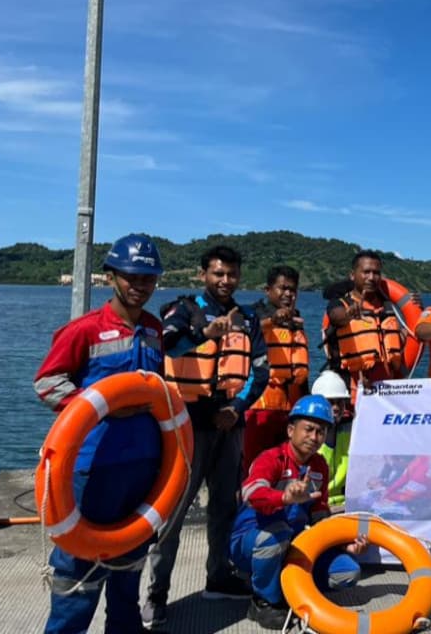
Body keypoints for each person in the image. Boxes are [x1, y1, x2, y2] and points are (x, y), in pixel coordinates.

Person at [32, 234, 166, 634]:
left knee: (131, 559)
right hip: (94, 467)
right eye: (132, 277)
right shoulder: (85, 330)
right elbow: (47, 383)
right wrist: (98, 407)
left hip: (143, 464)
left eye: (148, 278)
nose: (140, 286)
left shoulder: (154, 330)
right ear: (111, 277)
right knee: (79, 568)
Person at [143, 245, 269, 631]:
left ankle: (218, 577)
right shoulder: (182, 310)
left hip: (230, 426)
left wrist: (237, 409)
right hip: (187, 427)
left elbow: (259, 372)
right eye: (218, 273)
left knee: (223, 509)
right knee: (173, 515)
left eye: (231, 274)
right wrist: (204, 332)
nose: (225, 280)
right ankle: (155, 596)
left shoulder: (248, 319)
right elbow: (165, 344)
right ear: (203, 275)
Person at [230, 396, 368, 629]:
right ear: (291, 429)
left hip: (292, 542)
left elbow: (319, 513)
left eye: (321, 432)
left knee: (347, 572)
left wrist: (343, 544)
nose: (315, 438)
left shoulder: (319, 467)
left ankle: (291, 586)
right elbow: (251, 492)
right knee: (276, 534)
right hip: (253, 540)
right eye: (309, 429)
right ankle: (264, 600)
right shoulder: (271, 458)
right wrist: (283, 497)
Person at [244, 265, 309, 471]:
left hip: (291, 408)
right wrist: (273, 320)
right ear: (268, 290)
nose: (288, 294)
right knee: (253, 465)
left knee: (284, 466)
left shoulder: (296, 320)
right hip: (260, 406)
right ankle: (246, 502)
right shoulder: (255, 314)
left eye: (293, 289)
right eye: (283, 288)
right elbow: (243, 332)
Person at [326, 251, 412, 398]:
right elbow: (336, 317)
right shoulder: (340, 304)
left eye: (376, 273)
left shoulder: (388, 309)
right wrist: (349, 314)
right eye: (366, 272)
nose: (371, 277)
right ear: (353, 275)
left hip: (386, 396)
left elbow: (404, 337)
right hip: (353, 395)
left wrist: (416, 306)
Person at [313, 371, 354, 508]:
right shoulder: (308, 438)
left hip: (346, 504)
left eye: (339, 403)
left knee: (364, 528)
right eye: (331, 402)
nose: (336, 408)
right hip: (318, 505)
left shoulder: (350, 432)